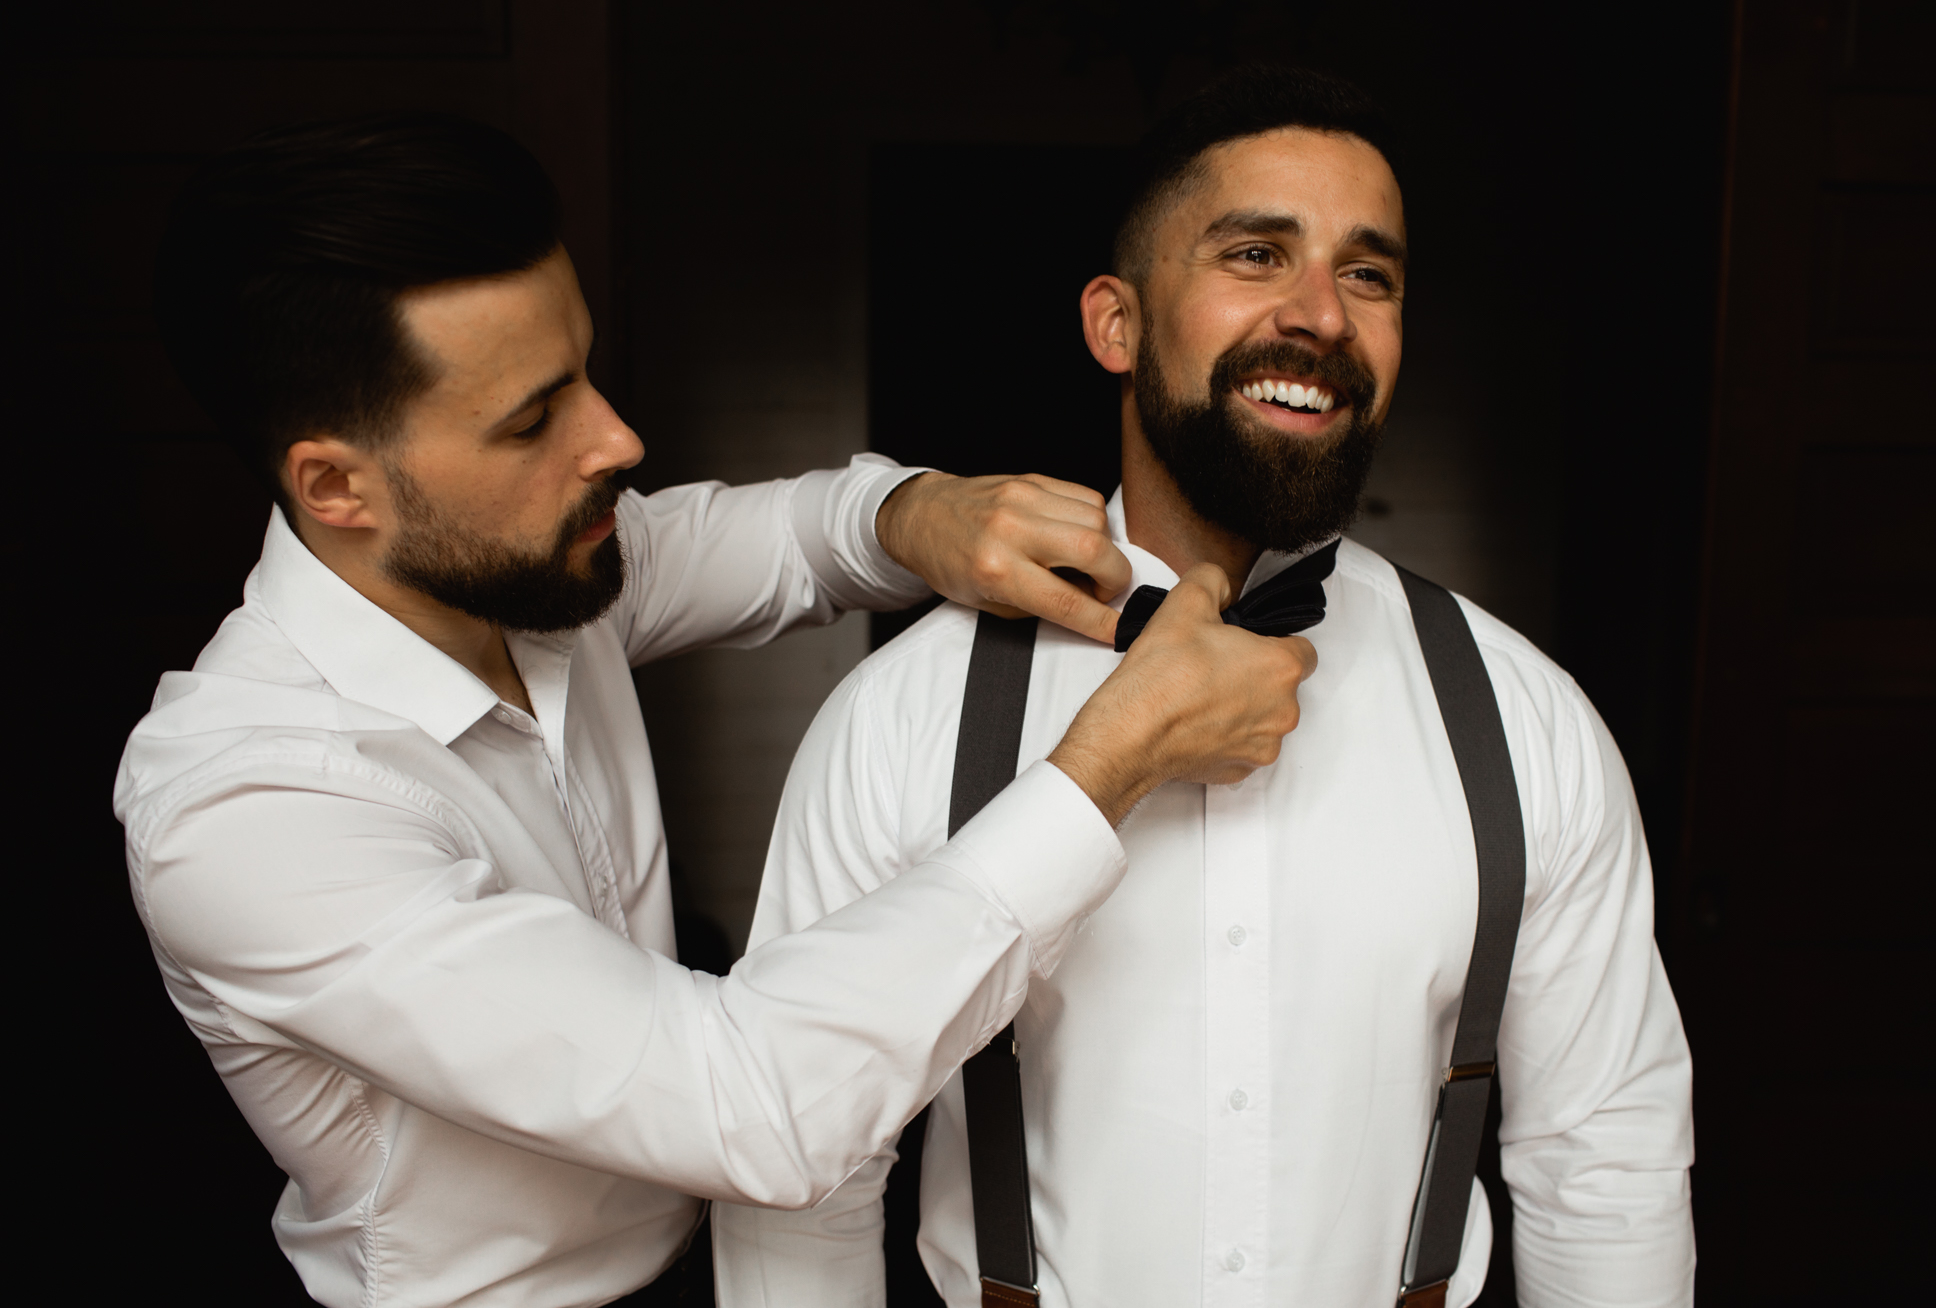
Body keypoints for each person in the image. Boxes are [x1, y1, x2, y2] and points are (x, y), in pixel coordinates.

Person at [113, 114, 1316, 1308]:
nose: (616, 439)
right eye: (533, 419)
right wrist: (1114, 759)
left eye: (583, 369)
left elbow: (784, 537)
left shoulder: (529, 570)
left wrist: (919, 513)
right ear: (336, 486)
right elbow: (756, 1106)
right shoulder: (247, 807)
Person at [713, 66, 1696, 1308]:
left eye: (1366, 273)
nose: (1320, 317)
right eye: (1254, 254)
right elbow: (802, 1179)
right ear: (1114, 324)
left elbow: (1601, 1164)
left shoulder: (1524, 721)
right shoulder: (897, 722)